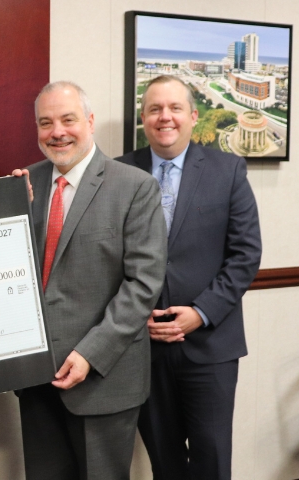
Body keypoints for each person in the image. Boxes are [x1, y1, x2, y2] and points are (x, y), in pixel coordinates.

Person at [15, 81, 167, 480]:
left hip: (102, 379)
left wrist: (89, 354)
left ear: (90, 122)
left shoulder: (134, 187)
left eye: (68, 119)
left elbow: (143, 285)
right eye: (45, 123)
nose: (57, 132)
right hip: (37, 380)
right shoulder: (23, 184)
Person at [116, 75, 262, 480]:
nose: (165, 117)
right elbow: (107, 255)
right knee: (165, 463)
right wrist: (133, 315)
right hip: (143, 347)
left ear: (193, 116)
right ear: (143, 117)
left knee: (212, 460)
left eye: (175, 108)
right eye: (155, 109)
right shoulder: (119, 172)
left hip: (210, 346)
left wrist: (201, 312)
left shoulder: (227, 169)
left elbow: (245, 255)